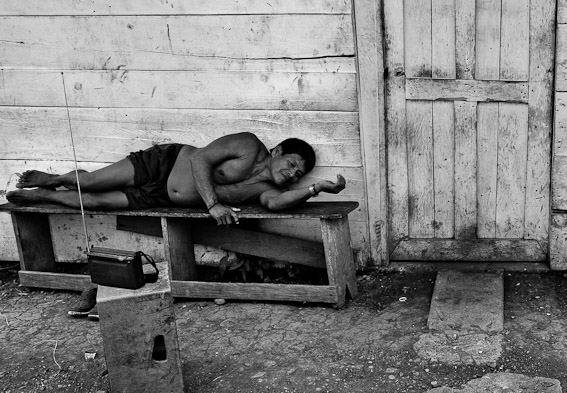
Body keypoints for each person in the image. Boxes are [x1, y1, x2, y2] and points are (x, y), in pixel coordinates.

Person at [7, 132, 345, 226]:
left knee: (95, 202)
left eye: (298, 175)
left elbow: (276, 205)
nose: (292, 174)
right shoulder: (248, 146)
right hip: (162, 164)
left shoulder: (268, 189)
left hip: (162, 198)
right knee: (92, 183)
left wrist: (314, 189)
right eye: (292, 164)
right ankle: (56, 179)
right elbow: (199, 158)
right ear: (277, 150)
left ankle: (45, 196)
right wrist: (213, 204)